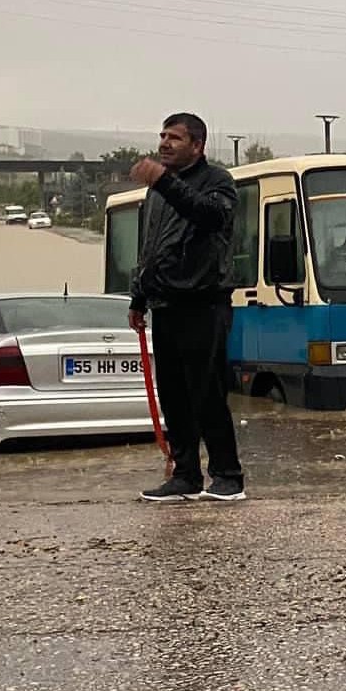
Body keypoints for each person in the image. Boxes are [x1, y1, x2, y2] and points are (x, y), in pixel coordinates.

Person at [127, 113, 245, 502]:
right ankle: (186, 476)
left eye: (174, 137)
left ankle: (227, 477)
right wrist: (138, 298)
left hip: (203, 302)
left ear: (197, 146)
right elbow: (151, 247)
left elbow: (210, 217)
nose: (164, 143)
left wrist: (163, 180)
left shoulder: (218, 182)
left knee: (206, 391)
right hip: (165, 303)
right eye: (161, 135)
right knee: (174, 395)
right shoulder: (156, 191)